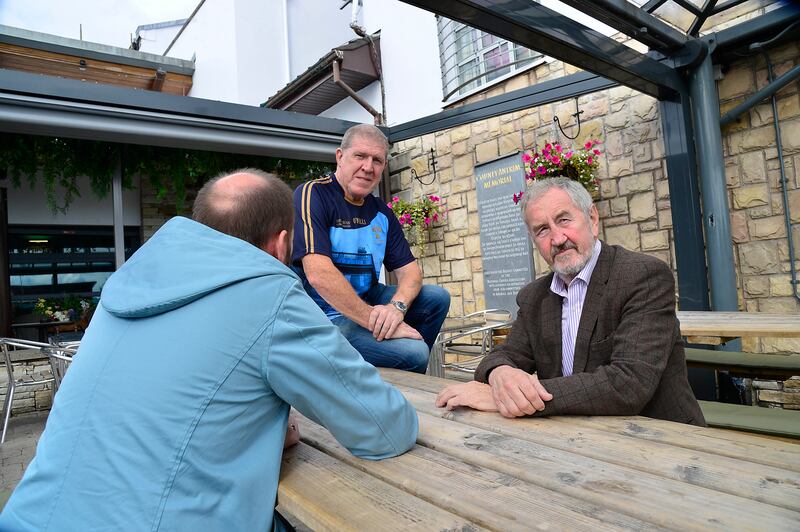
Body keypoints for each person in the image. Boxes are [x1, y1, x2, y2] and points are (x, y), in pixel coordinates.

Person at [0, 169, 418, 531]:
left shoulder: (123, 289)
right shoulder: (268, 294)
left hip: (26, 517)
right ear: (282, 242)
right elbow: (383, 429)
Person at [436, 176, 705, 426]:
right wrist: (500, 375)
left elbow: (629, 384)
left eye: (564, 220)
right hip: (579, 437)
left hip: (665, 442)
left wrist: (510, 400)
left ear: (592, 218)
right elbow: (505, 354)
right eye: (542, 230)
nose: (557, 239)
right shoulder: (534, 297)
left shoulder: (642, 276)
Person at [292, 124, 450, 374]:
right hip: (322, 316)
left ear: (383, 167)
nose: (368, 167)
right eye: (360, 156)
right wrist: (376, 322)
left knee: (436, 299)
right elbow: (318, 274)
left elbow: (411, 273)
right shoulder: (313, 194)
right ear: (340, 157)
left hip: (368, 301)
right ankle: (393, 374)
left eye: (377, 160)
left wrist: (395, 309)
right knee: (415, 352)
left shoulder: (381, 212)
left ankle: (398, 377)